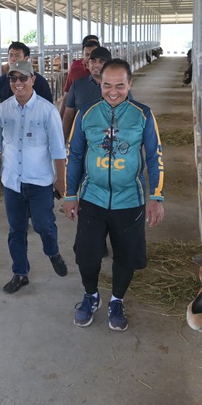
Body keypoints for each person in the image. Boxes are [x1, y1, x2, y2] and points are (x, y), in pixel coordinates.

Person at [63, 58, 164, 332]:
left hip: (129, 199)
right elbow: (74, 156)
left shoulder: (143, 114)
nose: (113, 91)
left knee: (126, 256)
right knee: (87, 255)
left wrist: (155, 196)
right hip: (92, 197)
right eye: (107, 85)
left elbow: (154, 157)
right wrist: (70, 194)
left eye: (120, 86)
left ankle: (117, 300)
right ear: (100, 83)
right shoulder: (87, 113)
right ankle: (91, 295)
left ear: (130, 84)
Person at [0, 60, 68, 294]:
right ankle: (20, 273)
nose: (18, 83)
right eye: (13, 78)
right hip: (12, 181)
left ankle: (52, 252)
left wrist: (61, 180)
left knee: (44, 225)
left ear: (33, 79)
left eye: (23, 78)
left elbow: (58, 149)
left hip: (40, 181)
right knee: (16, 230)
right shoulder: (2, 110)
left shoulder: (47, 111)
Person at [62, 45, 112, 140]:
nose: (96, 65)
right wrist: (62, 141)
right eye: (93, 61)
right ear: (87, 65)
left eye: (101, 62)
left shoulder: (117, 87)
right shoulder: (77, 85)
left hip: (107, 140)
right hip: (81, 139)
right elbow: (68, 115)